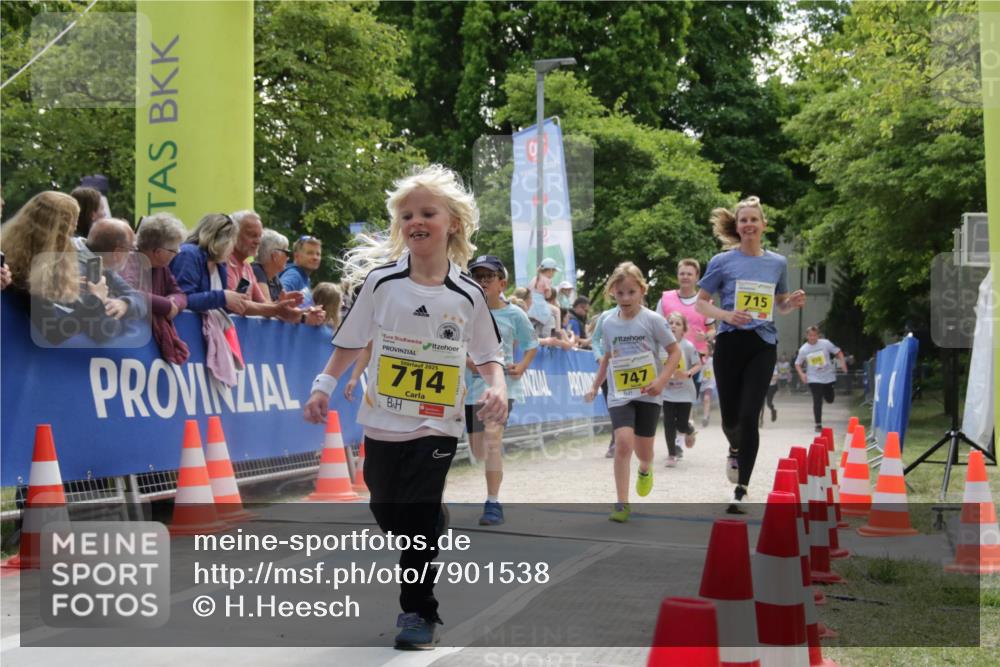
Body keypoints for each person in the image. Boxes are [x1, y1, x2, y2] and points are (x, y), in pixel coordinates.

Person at [303, 165, 506, 651]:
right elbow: (351, 342)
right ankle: (431, 522)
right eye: (407, 214)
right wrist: (322, 386)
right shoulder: (381, 283)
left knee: (413, 519)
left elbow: (488, 355)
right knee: (387, 507)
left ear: (451, 223)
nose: (416, 220)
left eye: (427, 213)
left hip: (437, 423)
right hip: (383, 420)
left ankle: (418, 611)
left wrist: (495, 387)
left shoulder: (468, 294)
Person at [695, 196, 806, 513]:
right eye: (743, 220)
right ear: (737, 225)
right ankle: (733, 446)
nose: (748, 225)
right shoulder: (721, 261)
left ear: (763, 225)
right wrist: (727, 315)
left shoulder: (777, 263)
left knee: (749, 416)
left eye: (753, 220)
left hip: (762, 343)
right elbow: (701, 302)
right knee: (730, 419)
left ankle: (741, 488)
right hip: (730, 342)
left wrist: (791, 303)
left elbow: (780, 304)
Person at [585, 262, 681, 523]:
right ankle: (621, 503)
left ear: (641, 290)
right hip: (620, 392)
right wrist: (595, 385)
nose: (625, 298)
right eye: (620, 293)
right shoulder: (607, 322)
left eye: (631, 292)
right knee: (623, 443)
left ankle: (645, 469)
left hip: (648, 392)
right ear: (612, 293)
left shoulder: (653, 320)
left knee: (644, 452)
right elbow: (606, 355)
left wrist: (661, 381)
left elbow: (674, 352)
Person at [464, 255, 538, 526]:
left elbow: (532, 343)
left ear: (501, 283)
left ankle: (493, 503)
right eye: (477, 277)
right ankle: (492, 466)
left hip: (501, 386)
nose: (482, 282)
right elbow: (450, 343)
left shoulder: (514, 313)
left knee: (492, 439)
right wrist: (467, 361)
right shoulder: (464, 311)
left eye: (488, 277)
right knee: (478, 450)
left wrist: (522, 365)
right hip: (471, 388)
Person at [1, 191, 117, 344]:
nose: (71, 236)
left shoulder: (14, 255)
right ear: (58, 233)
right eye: (70, 229)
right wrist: (96, 300)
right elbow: (53, 333)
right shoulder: (34, 271)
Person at [228, 211, 319, 324]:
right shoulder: (226, 262)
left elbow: (263, 304)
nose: (257, 242)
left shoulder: (246, 267)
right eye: (252, 235)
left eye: (259, 236)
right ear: (234, 234)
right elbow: (236, 304)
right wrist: (278, 308)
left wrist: (283, 304)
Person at [124, 213, 190, 364]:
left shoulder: (162, 268)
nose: (177, 254)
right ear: (158, 252)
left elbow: (180, 294)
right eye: (174, 251)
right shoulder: (129, 261)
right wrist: (166, 305)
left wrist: (173, 302)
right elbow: (128, 293)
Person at [656, 258, 715, 398]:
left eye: (689, 274)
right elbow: (656, 327)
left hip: (695, 360)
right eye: (682, 274)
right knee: (669, 400)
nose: (685, 277)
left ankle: (687, 418)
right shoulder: (665, 299)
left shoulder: (705, 302)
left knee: (688, 400)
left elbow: (713, 330)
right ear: (677, 276)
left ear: (697, 277)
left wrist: (706, 336)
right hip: (669, 357)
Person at [77, 218, 149, 323]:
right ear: (117, 253)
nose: (131, 255)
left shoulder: (103, 266)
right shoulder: (77, 273)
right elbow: (102, 329)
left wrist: (125, 304)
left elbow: (140, 299)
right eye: (131, 250)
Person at [662, 312, 702, 467]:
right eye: (670, 323)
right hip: (667, 391)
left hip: (685, 392)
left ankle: (689, 429)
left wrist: (688, 373)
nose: (673, 326)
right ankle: (671, 454)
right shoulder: (661, 345)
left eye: (677, 324)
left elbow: (698, 364)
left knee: (681, 425)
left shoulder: (688, 346)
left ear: (683, 329)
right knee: (668, 423)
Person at [795, 325, 847, 432]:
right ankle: (818, 424)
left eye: (814, 335)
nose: (812, 338)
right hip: (813, 378)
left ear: (818, 336)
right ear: (807, 336)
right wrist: (802, 374)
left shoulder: (825, 343)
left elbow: (838, 352)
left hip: (828, 376)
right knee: (817, 400)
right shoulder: (804, 349)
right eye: (810, 336)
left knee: (830, 399)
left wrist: (843, 364)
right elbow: (797, 364)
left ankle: (827, 392)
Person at [589, 302, 618, 458]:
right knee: (613, 407)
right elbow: (595, 339)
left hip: (633, 369)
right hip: (608, 369)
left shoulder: (646, 316)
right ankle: (615, 442)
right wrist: (600, 358)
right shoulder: (606, 315)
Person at [279, 234, 322, 306]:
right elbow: (278, 297)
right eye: (310, 253)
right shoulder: (294, 275)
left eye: (318, 254)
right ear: (296, 256)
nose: (315, 257)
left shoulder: (305, 278)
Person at [252, 229, 292, 302]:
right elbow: (266, 308)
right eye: (287, 253)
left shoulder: (274, 278)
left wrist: (306, 312)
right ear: (275, 256)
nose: (288, 257)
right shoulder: (257, 271)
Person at [527, 257, 558, 328]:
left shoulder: (534, 278)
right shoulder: (547, 280)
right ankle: (558, 332)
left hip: (530, 307)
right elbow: (548, 296)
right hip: (541, 308)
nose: (554, 274)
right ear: (550, 270)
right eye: (554, 271)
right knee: (556, 312)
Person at [699, 342, 716, 427]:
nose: (704, 351)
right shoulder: (698, 360)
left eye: (706, 349)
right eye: (702, 349)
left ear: (710, 351)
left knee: (706, 398)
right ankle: (707, 414)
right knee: (703, 400)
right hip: (701, 382)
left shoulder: (712, 361)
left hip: (710, 382)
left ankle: (705, 418)